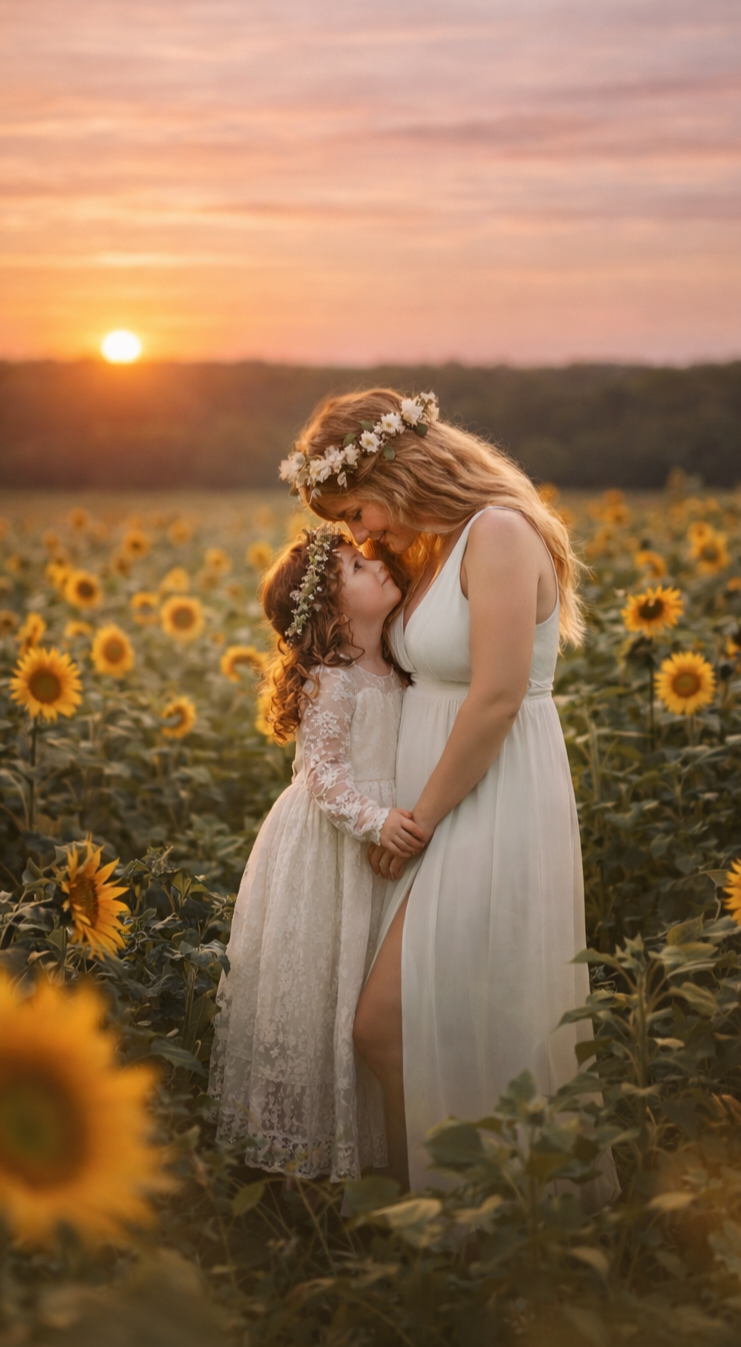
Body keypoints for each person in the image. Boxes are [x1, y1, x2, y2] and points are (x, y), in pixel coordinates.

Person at [280, 389, 616, 1200]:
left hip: (486, 795)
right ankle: (449, 1211)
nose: (360, 535)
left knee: (388, 1023)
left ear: (392, 471)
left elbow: (496, 697)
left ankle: (463, 1208)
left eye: (356, 511)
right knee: (442, 1014)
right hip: (434, 796)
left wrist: (419, 821)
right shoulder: (434, 546)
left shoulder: (498, 532)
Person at [209, 524, 427, 1180]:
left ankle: (386, 1146)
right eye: (358, 567)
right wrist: (375, 821)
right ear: (332, 609)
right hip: (335, 849)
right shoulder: (334, 680)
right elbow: (321, 775)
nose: (376, 564)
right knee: (331, 981)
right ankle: (322, 1163)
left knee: (371, 974)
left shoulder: (398, 662)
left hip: (382, 838)